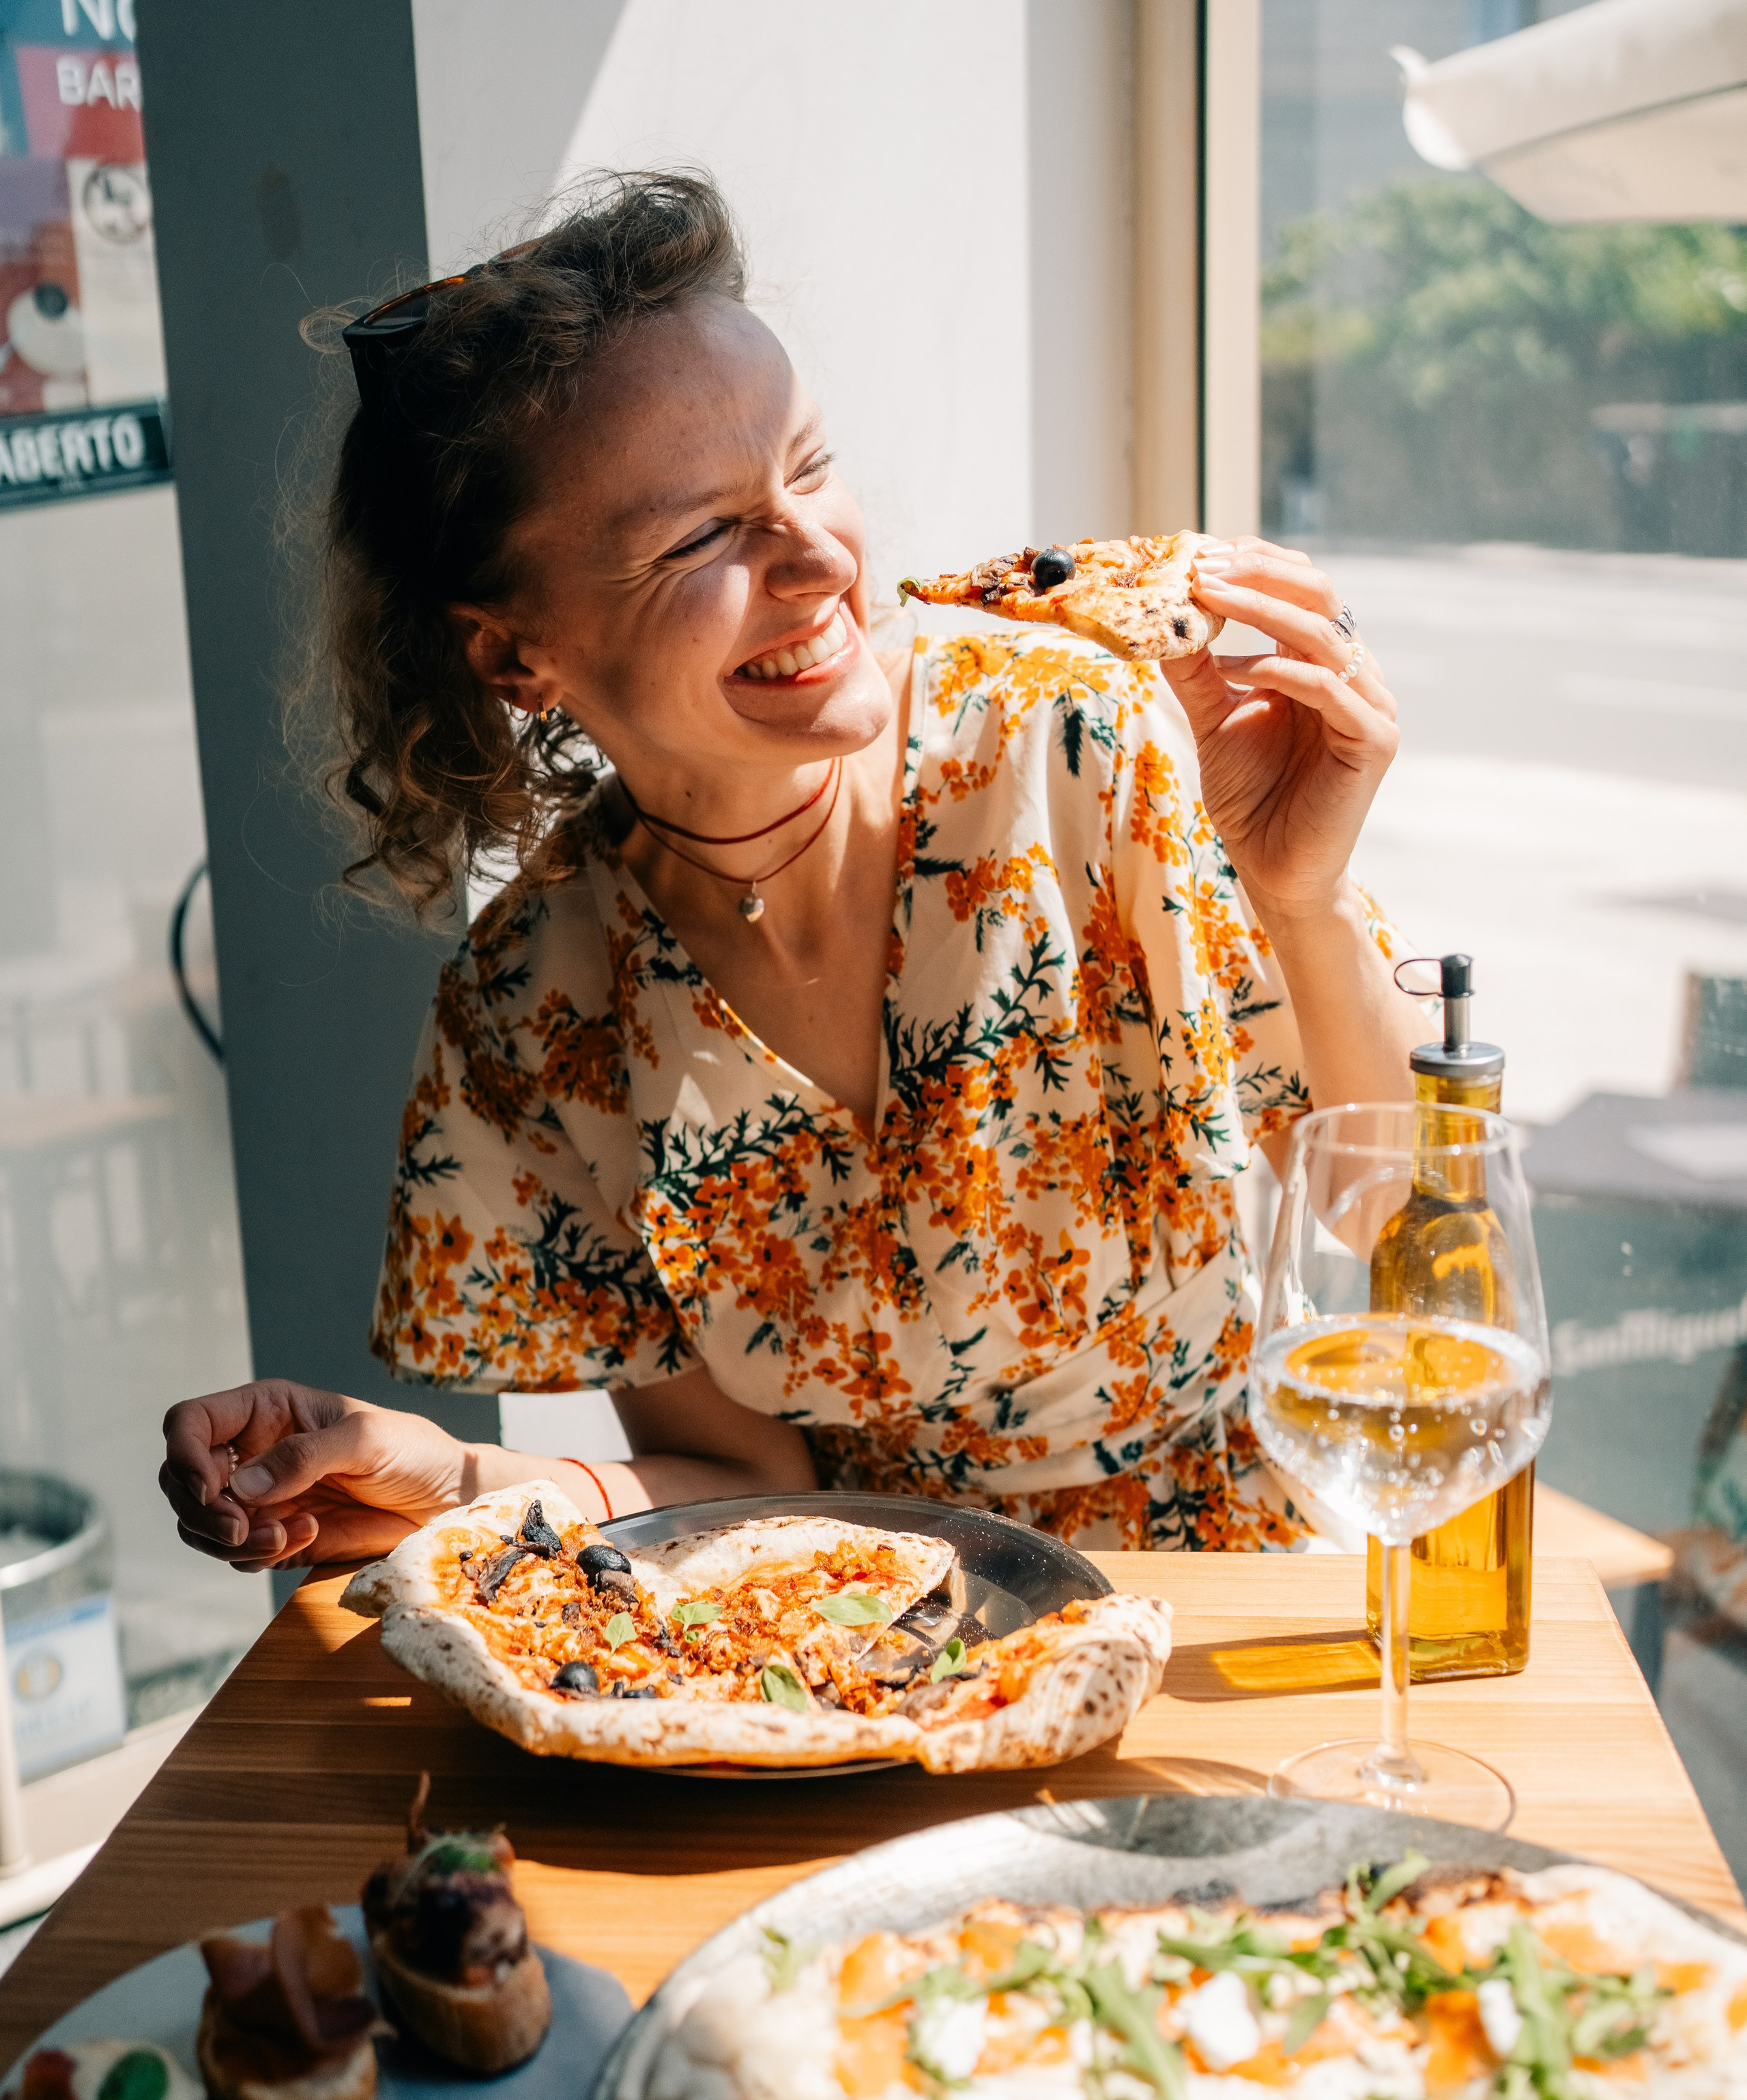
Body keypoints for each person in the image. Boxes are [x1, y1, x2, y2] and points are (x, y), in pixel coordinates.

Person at [160, 171, 1421, 1576]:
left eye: (808, 468)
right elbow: (740, 1481)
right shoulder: (534, 1012)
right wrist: (446, 1472)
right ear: (518, 654)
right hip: (865, 1626)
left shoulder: (1069, 737)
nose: (818, 559)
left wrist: (1296, 902)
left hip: (1233, 1597)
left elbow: (1371, 1206)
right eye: (701, 536)